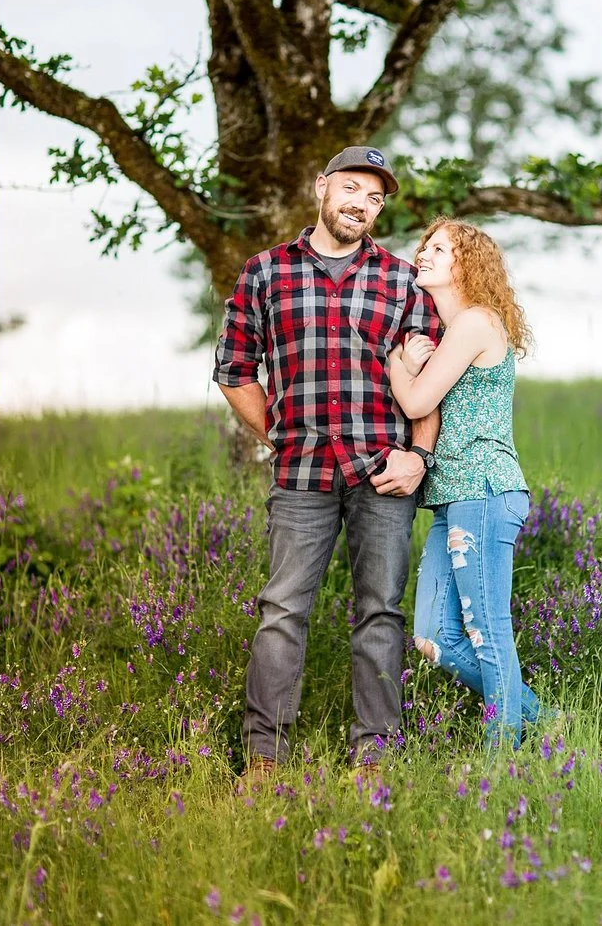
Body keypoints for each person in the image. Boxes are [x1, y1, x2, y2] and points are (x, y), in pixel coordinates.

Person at [214, 146, 443, 779]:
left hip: (384, 472)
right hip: (301, 474)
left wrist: (419, 455)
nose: (360, 206)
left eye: (374, 199)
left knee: (381, 611)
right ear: (321, 188)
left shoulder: (401, 280)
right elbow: (233, 369)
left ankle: (375, 756)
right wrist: (279, 432)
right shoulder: (265, 273)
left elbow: (433, 378)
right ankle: (265, 759)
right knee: (283, 610)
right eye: (350, 189)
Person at [386, 219, 541, 745]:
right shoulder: (454, 331)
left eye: (438, 249)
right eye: (423, 245)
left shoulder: (475, 322)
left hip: (485, 489)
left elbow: (415, 402)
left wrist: (395, 363)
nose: (423, 254)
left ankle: (502, 759)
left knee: (487, 629)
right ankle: (547, 722)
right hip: (454, 499)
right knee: (435, 638)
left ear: (466, 265)